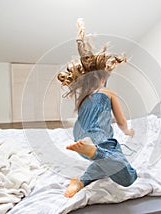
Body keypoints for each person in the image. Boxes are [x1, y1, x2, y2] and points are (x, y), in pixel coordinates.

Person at [57, 19, 137, 198]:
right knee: (129, 175)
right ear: (103, 79)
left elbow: (95, 114)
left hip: (79, 134)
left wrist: (81, 37)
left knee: (105, 165)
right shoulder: (108, 92)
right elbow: (122, 122)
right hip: (98, 138)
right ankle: (94, 150)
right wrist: (129, 131)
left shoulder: (84, 96)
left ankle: (80, 181)